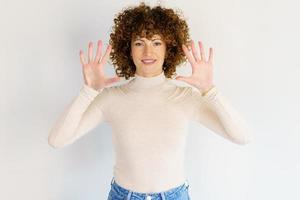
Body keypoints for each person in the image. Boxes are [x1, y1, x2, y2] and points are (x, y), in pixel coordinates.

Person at [48, 2, 254, 200]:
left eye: (156, 43)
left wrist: (210, 91)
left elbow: (242, 137)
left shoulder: (186, 98)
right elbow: (57, 140)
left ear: (168, 48)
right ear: (128, 49)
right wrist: (88, 91)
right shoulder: (111, 98)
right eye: (139, 43)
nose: (148, 52)